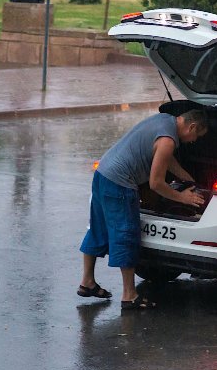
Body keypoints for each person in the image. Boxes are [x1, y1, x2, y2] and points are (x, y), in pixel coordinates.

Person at [78, 109, 208, 310]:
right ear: (191, 127)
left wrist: (187, 178)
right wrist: (183, 197)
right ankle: (129, 295)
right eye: (197, 136)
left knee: (98, 228)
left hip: (103, 173)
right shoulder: (168, 140)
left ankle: (87, 282)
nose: (193, 141)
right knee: (126, 235)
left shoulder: (164, 121)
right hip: (120, 183)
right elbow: (156, 183)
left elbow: (167, 159)